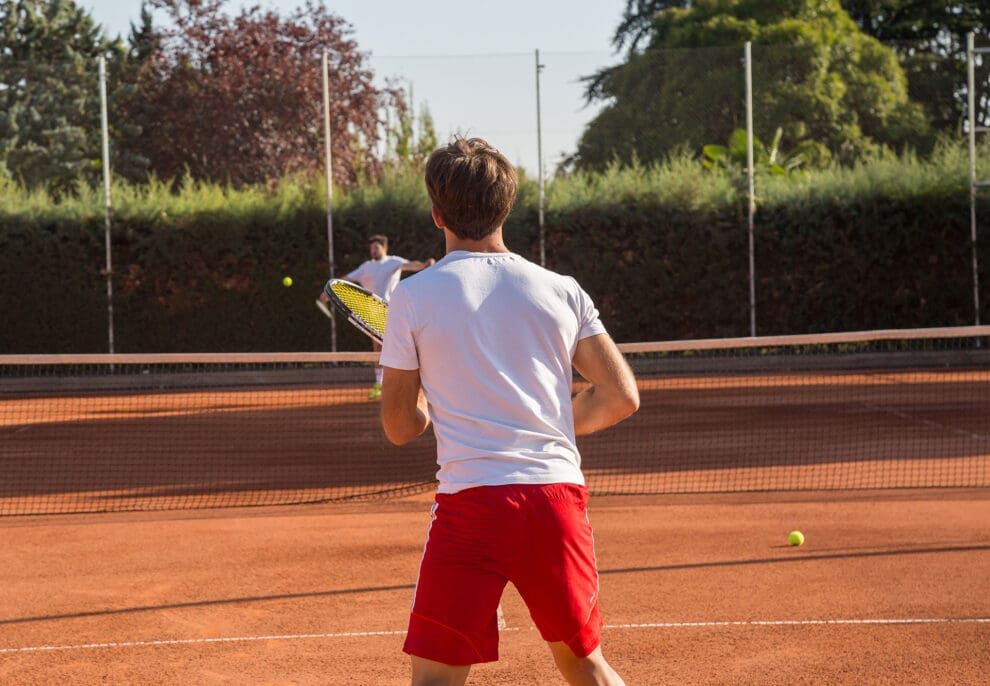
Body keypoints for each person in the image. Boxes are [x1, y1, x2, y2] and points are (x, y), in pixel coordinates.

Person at [379, 137, 639, 686]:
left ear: (436, 212)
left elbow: (401, 427)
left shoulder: (413, 296)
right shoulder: (562, 290)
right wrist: (548, 424)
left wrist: (429, 401)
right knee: (584, 663)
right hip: (555, 499)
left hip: (471, 507)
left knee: (434, 681)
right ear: (507, 206)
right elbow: (620, 396)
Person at [321, 234, 434, 399]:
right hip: (372, 314)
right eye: (371, 247)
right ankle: (380, 384)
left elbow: (412, 265)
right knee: (378, 348)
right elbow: (346, 280)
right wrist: (328, 290)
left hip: (394, 312)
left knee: (406, 346)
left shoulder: (393, 261)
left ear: (384, 248)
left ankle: (417, 382)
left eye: (377, 246)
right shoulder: (366, 267)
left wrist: (425, 264)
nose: (373, 249)